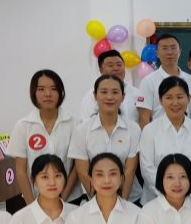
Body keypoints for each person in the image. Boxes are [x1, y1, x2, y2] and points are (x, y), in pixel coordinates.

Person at [8, 69, 82, 206]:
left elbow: (77, 168)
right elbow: (21, 170)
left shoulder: (75, 124)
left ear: (61, 92)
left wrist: (62, 200)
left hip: (70, 199)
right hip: (35, 198)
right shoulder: (23, 125)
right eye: (41, 89)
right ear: (34, 93)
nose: (48, 94)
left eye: (53, 89)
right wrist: (31, 205)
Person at [69, 75, 142, 204]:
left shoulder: (133, 128)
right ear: (95, 96)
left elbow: (130, 170)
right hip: (95, 200)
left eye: (115, 92)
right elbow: (83, 172)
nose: (109, 97)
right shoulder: (81, 130)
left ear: (123, 97)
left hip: (130, 199)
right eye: (103, 92)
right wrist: (99, 203)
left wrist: (122, 204)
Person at [140, 77, 191, 205]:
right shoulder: (150, 130)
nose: (175, 103)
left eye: (180, 97)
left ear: (188, 98)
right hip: (155, 202)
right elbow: (147, 169)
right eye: (169, 97)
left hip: (189, 202)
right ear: (161, 100)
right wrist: (168, 196)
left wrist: (186, 196)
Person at [137, 34, 191, 128]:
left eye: (173, 48)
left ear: (179, 52)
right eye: (164, 48)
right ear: (157, 53)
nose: (169, 52)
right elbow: (144, 118)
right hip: (159, 133)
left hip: (186, 133)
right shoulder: (148, 81)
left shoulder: (190, 80)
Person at [79, 50, 144, 125]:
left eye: (119, 65)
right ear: (101, 70)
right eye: (110, 65)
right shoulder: (91, 96)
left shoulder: (137, 94)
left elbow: (144, 120)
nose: (116, 68)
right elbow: (86, 123)